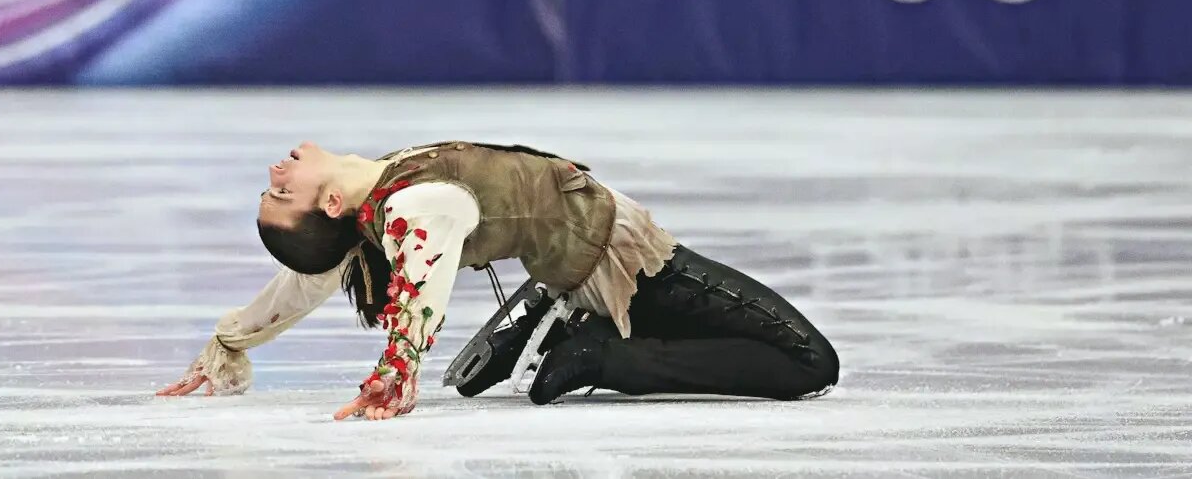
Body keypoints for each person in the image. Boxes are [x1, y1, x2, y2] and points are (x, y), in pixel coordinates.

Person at [156, 141, 839, 420]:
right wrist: (396, 371)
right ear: (330, 203)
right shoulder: (413, 206)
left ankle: (554, 315)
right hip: (629, 269)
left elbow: (303, 279)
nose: (274, 171)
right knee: (809, 363)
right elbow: (419, 282)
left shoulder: (383, 187)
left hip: (588, 259)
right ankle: (598, 352)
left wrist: (231, 338)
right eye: (280, 192)